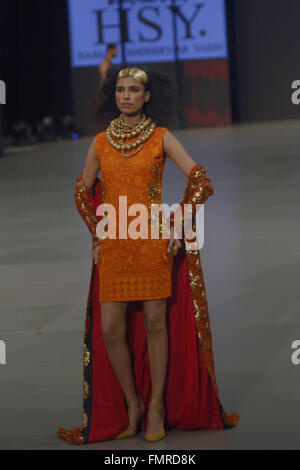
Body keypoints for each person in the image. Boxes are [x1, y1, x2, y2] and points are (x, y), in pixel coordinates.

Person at [58, 67, 240, 445]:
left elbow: (201, 179)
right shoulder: (101, 142)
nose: (126, 96)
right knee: (111, 328)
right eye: (121, 90)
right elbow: (81, 192)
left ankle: (156, 404)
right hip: (115, 246)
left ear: (147, 96)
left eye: (134, 90)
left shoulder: (160, 137)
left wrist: (177, 225)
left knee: (156, 325)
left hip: (151, 241)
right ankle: (132, 403)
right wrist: (97, 233)